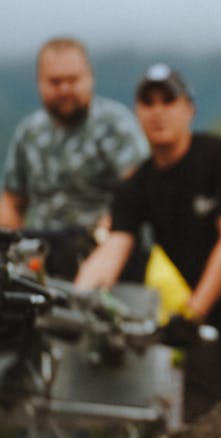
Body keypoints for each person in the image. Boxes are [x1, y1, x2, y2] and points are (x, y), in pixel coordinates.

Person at [75, 63, 221, 421]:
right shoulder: (136, 186)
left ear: (189, 109)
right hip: (215, 326)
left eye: (168, 100)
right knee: (205, 426)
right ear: (137, 111)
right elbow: (113, 249)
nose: (158, 111)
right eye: (148, 102)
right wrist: (74, 299)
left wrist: (192, 313)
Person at [0, 37, 148, 279]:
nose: (65, 89)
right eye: (55, 82)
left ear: (89, 77)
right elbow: (13, 201)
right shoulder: (30, 132)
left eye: (73, 80)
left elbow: (137, 192)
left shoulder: (115, 125)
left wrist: (104, 236)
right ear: (39, 83)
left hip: (105, 250)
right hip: (41, 251)